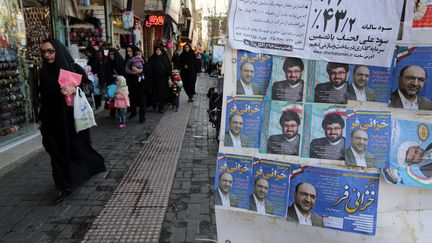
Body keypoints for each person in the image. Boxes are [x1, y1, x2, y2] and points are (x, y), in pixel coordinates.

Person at [38, 39, 106, 205]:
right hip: (51, 121)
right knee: (55, 152)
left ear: (59, 51)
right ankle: (62, 186)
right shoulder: (43, 71)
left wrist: (74, 89)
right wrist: (41, 120)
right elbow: (42, 97)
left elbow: (90, 86)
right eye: (44, 52)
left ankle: (78, 173)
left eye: (50, 51)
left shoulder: (72, 67)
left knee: (74, 149)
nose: (47, 55)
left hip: (71, 120)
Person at [125, 44, 148, 123]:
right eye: (127, 51)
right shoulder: (128, 59)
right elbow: (126, 70)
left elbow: (146, 68)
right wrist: (133, 72)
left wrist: (141, 71)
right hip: (131, 84)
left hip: (141, 83)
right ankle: (133, 112)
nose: (128, 53)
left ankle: (142, 116)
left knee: (142, 100)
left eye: (130, 51)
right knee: (132, 99)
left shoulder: (140, 58)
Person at [148, 46, 171, 113]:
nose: (158, 51)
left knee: (161, 93)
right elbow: (149, 68)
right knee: (154, 92)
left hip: (162, 80)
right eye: (156, 50)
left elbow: (168, 68)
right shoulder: (152, 59)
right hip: (154, 79)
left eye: (159, 50)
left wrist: (169, 76)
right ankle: (154, 104)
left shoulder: (164, 59)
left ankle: (160, 107)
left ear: (161, 51)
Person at [104, 48, 126, 118]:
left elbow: (124, 72)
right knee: (111, 97)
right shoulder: (108, 62)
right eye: (110, 54)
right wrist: (111, 75)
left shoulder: (121, 61)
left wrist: (118, 76)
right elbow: (106, 72)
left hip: (119, 83)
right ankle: (112, 111)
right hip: (111, 82)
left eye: (113, 54)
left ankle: (120, 112)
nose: (111, 56)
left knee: (119, 98)